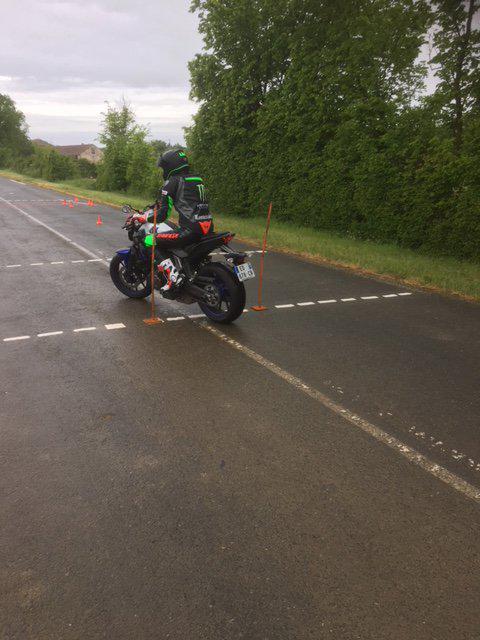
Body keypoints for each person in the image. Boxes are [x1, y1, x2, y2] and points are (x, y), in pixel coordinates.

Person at [143, 149, 213, 291]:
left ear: (170, 166)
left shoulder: (172, 182)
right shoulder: (197, 179)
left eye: (164, 167)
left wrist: (145, 217)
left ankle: (173, 277)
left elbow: (162, 215)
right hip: (207, 228)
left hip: (189, 231)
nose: (163, 170)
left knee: (150, 240)